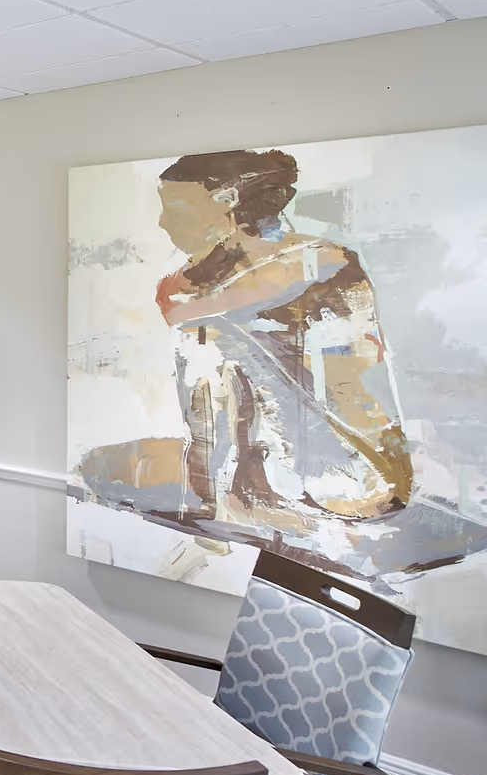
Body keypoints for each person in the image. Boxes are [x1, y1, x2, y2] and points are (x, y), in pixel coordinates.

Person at [153, 149, 411, 527]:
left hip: (353, 475)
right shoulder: (203, 280)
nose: (162, 223)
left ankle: (209, 500)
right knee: (203, 338)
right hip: (277, 474)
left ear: (227, 201)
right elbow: (178, 303)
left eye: (174, 208)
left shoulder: (319, 259)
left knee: (204, 337)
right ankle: (213, 498)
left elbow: (185, 307)